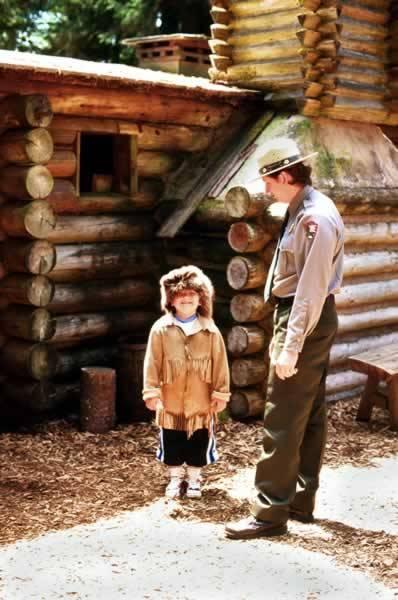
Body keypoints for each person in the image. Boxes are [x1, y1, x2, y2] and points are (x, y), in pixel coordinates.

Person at [225, 137, 344, 539]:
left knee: (281, 414)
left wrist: (290, 346)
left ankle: (268, 513)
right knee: (308, 413)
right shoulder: (301, 209)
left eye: (268, 181)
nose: (264, 189)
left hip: (303, 318)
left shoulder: (317, 219)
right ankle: (298, 502)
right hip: (306, 316)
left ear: (287, 175)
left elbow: (310, 290)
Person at [143, 265, 230, 499]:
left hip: (201, 401)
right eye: (180, 295)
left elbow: (221, 363)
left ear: (201, 299)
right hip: (171, 401)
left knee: (198, 441)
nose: (186, 299)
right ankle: (174, 479)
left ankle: (194, 480)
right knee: (172, 439)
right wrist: (151, 392)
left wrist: (221, 393)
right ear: (171, 300)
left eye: (192, 295)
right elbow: (151, 362)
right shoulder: (160, 330)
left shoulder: (211, 331)